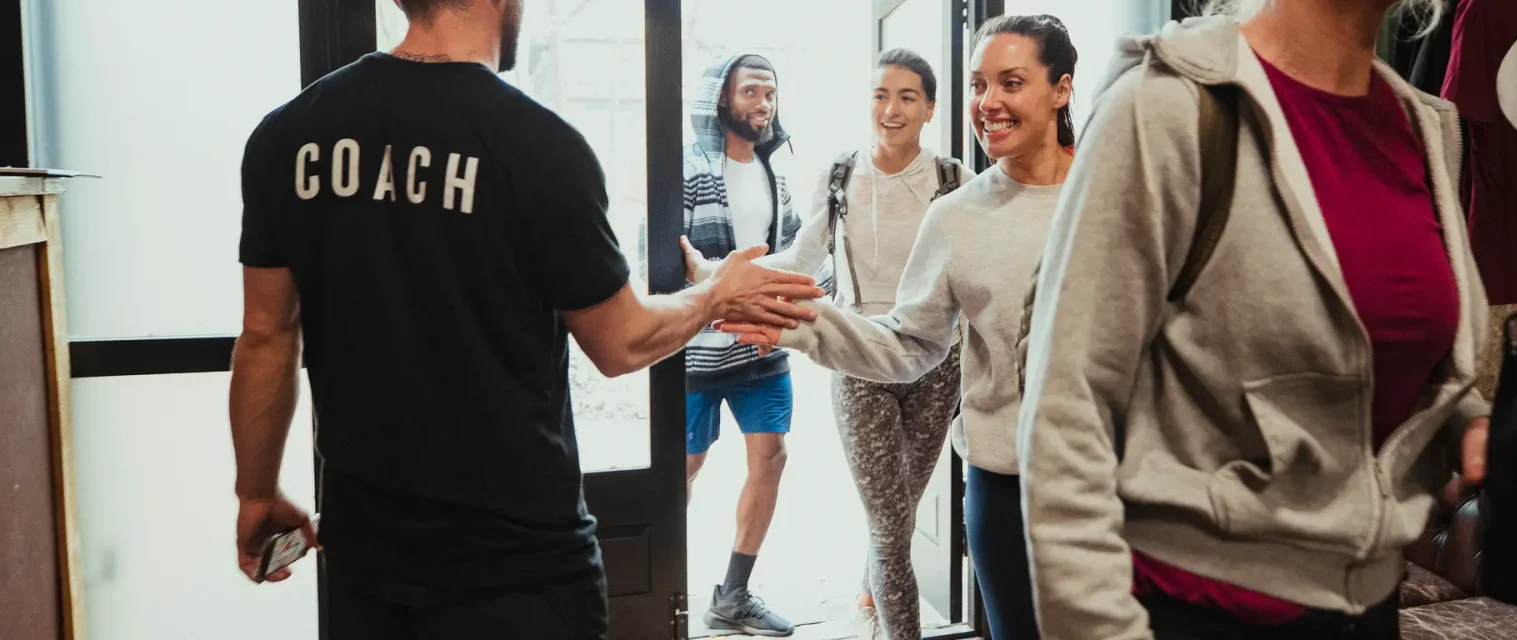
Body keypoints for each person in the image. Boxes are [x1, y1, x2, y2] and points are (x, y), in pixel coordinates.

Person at [226, 1, 824, 638]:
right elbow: (619, 341)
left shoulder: (288, 136)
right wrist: (715, 296)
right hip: (520, 569)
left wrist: (255, 494)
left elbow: (266, 335)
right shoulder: (540, 146)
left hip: (366, 565)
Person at [1014, 1, 1517, 639]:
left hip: (1368, 604)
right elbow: (1064, 421)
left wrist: (1472, 427)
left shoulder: (1424, 127)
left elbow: (1376, 365)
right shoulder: (1170, 105)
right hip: (1191, 610)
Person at [717, 15, 1079, 640]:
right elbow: (910, 339)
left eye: (1011, 82)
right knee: (896, 532)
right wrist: (794, 320)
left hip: (1108, 481)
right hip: (999, 479)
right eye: (979, 84)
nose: (989, 103)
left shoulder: (1116, 192)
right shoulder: (958, 213)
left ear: (1061, 90)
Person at [683, 48, 974, 640]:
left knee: (899, 514)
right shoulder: (841, 176)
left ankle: (869, 609)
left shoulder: (953, 180)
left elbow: (974, 275)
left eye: (907, 97)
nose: (891, 109)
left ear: (930, 107)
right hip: (857, 358)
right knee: (891, 527)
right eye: (880, 95)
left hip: (938, 365)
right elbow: (799, 261)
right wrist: (715, 276)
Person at [675, 52, 804, 637]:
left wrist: (793, 302)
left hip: (762, 349)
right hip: (699, 349)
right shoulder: (690, 167)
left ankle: (734, 594)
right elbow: (669, 258)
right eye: (751, 91)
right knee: (683, 468)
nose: (764, 103)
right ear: (722, 99)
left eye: (770, 93)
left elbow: (803, 249)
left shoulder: (777, 171)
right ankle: (659, 588)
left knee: (770, 459)